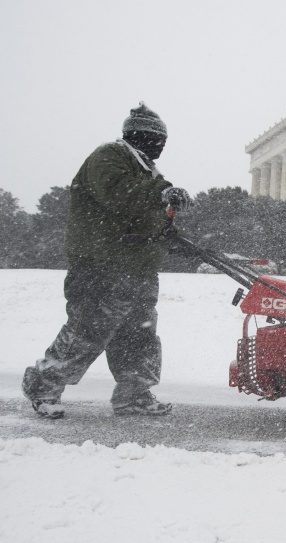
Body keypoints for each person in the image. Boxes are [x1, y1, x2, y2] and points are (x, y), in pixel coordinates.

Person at [22, 103, 192, 419]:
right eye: (158, 139)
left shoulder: (146, 171)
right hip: (101, 264)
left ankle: (134, 396)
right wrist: (161, 193)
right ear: (140, 135)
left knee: (138, 336)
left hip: (136, 269)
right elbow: (118, 193)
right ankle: (43, 387)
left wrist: (173, 236)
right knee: (87, 331)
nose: (161, 146)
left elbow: (146, 217)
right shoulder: (110, 156)